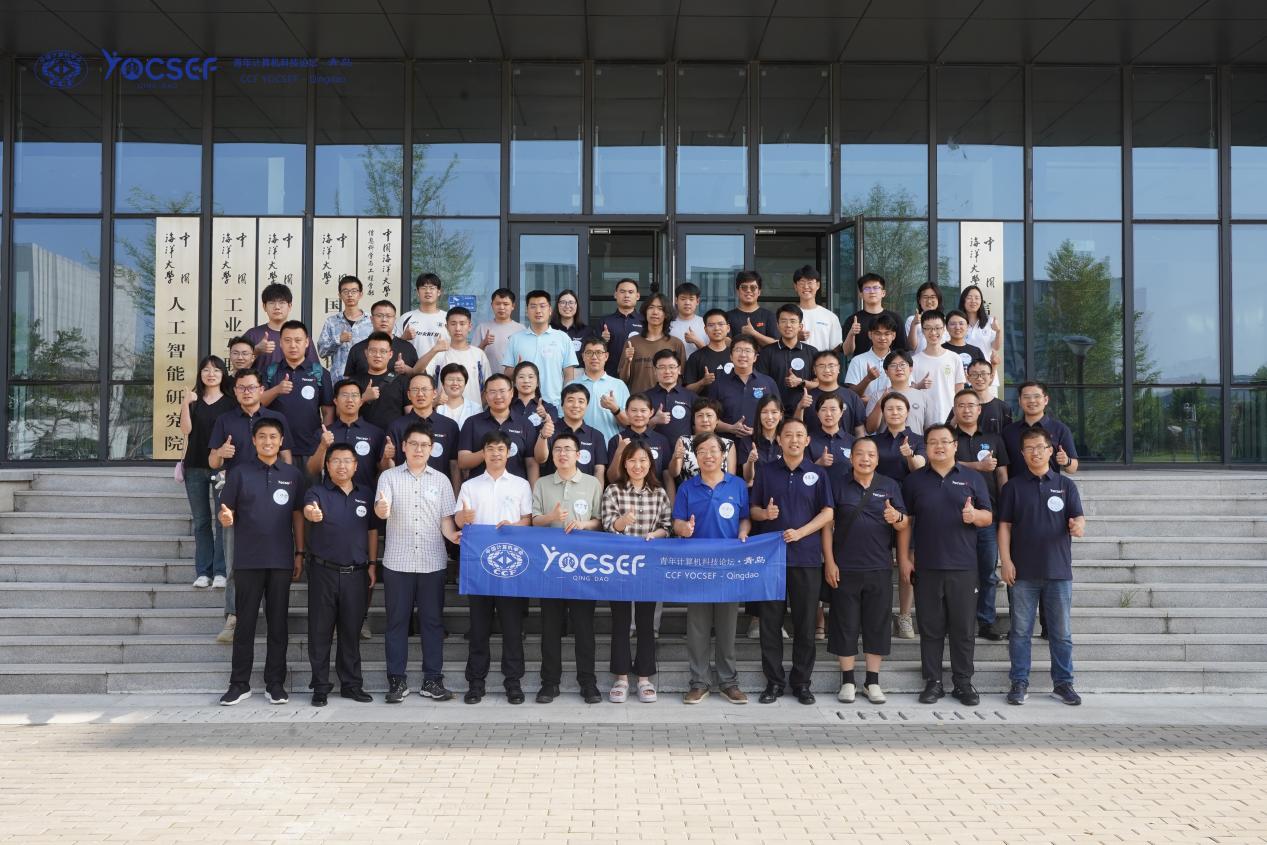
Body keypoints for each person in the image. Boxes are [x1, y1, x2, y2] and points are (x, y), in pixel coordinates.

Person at [900, 423, 993, 706]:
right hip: (927, 566)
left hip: (964, 565)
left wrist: (974, 516)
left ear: (955, 446)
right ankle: (934, 682)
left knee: (963, 628)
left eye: (944, 441)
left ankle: (963, 682)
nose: (939, 447)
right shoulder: (914, 481)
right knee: (930, 628)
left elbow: (988, 517)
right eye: (933, 442)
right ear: (926, 447)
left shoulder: (972, 478)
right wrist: (904, 558)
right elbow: (906, 524)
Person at [216, 417, 304, 706]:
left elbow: (298, 515)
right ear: (254, 441)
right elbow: (226, 510)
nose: (268, 441)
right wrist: (226, 518)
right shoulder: (239, 473)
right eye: (262, 436)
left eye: (273, 437)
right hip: (248, 560)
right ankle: (239, 684)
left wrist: (300, 552)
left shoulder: (292, 474)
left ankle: (275, 683)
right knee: (245, 625)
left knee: (278, 624)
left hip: (281, 560)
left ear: (281, 441)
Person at [749, 418, 834, 706]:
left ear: (807, 440)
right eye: (788, 435)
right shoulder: (766, 471)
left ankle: (801, 683)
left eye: (799, 435)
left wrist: (801, 532)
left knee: (805, 624)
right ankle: (773, 682)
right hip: (771, 559)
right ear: (780, 440)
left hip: (806, 557)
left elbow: (828, 513)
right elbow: (753, 509)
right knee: (770, 624)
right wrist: (765, 514)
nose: (794, 440)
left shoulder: (818, 474)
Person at [998, 428, 1086, 707]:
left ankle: (1063, 683)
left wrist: (1078, 526)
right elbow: (1004, 526)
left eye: (1040, 447)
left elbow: (1079, 519)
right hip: (1022, 572)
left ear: (1050, 451)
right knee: (1020, 632)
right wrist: (1005, 561)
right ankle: (1019, 682)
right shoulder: (1012, 487)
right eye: (1029, 448)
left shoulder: (1065, 485)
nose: (1035, 452)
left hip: (1058, 571)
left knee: (1061, 633)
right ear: (1022, 454)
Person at [376, 423, 461, 704]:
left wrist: (455, 537)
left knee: (433, 623)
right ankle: (396, 681)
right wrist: (382, 509)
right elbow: (381, 509)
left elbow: (446, 521)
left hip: (432, 562)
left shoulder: (441, 480)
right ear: (404, 446)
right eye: (413, 444)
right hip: (397, 563)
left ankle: (432, 680)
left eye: (424, 445)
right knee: (396, 623)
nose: (418, 449)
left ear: (432, 449)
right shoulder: (388, 477)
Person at [206, 368, 292, 646]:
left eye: (252, 387)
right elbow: (212, 462)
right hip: (236, 499)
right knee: (234, 560)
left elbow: (287, 457)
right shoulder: (225, 420)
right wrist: (221, 453)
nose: (247, 392)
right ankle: (234, 616)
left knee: (273, 562)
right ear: (235, 391)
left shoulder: (275, 419)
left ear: (261, 389)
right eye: (241, 387)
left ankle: (271, 616)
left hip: (272, 498)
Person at [824, 436, 909, 704]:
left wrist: (896, 518)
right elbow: (827, 525)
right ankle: (848, 681)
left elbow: (904, 523)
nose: (865, 459)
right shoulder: (838, 485)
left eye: (871, 455)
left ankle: (872, 681)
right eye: (860, 454)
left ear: (877, 459)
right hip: (845, 567)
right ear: (851, 458)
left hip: (879, 566)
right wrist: (829, 561)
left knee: (877, 624)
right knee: (845, 623)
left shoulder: (890, 485)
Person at [453, 431, 533, 704]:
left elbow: (528, 520)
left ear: (508, 453)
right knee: (478, 628)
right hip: (479, 567)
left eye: (500, 449)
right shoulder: (470, 486)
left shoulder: (521, 485)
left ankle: (513, 682)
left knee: (512, 628)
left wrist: (514, 526)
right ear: (483, 452)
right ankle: (476, 682)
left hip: (512, 567)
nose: (496, 453)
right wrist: (463, 517)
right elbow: (459, 520)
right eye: (490, 448)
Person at [673, 431, 751, 705]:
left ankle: (729, 682)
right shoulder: (687, 488)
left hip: (729, 566)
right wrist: (684, 528)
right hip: (698, 565)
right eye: (702, 451)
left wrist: (743, 532)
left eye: (713, 450)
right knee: (698, 626)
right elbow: (677, 522)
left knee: (728, 627)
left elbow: (745, 518)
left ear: (723, 455)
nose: (708, 455)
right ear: (696, 456)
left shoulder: (737, 485)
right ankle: (699, 682)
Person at [530, 431, 604, 704]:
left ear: (578, 454)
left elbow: (600, 521)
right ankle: (550, 683)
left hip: (583, 566)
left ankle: (588, 682)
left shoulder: (592, 483)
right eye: (558, 449)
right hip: (550, 566)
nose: (562, 454)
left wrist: (584, 524)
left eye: (568, 449)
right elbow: (534, 520)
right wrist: (550, 517)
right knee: (550, 626)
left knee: (584, 627)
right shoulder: (542, 484)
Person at [302, 443, 377, 707]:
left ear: (356, 466)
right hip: (323, 572)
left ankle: (351, 684)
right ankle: (320, 686)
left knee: (351, 631)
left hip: (356, 573)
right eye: (336, 461)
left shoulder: (365, 494)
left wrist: (372, 564)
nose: (341, 466)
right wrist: (312, 513)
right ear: (327, 465)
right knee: (320, 631)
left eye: (347, 461)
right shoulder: (317, 492)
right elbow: (309, 509)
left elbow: (371, 531)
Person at [602, 441, 671, 703]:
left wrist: (656, 534)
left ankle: (644, 678)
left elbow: (667, 526)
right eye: (632, 460)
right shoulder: (613, 490)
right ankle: (621, 678)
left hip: (648, 567)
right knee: (620, 622)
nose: (637, 465)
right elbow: (608, 526)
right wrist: (623, 522)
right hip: (619, 566)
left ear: (650, 464)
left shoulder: (659, 493)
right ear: (624, 463)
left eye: (642, 460)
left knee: (645, 622)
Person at [950, 388, 1011, 642]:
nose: (966, 410)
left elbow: (1002, 475)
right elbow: (941, 463)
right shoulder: (947, 438)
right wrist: (977, 466)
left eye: (971, 405)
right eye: (961, 405)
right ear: (954, 410)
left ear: (979, 409)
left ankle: (986, 621)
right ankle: (956, 621)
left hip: (988, 515)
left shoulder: (994, 439)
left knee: (987, 572)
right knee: (955, 573)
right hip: (952, 517)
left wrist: (1006, 509)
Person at [871, 391, 927, 641]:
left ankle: (904, 616)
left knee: (907, 561)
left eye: (899, 408)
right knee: (879, 559)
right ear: (883, 412)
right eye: (889, 408)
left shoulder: (918, 439)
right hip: (877, 505)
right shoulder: (874, 441)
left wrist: (909, 456)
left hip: (910, 505)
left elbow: (921, 467)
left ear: (907, 412)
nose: (894, 412)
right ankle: (878, 615)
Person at [179, 355, 235, 589]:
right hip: (194, 467)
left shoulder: (231, 402)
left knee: (222, 521)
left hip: (222, 468)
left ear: (223, 374)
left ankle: (221, 571)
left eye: (216, 370)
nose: (211, 374)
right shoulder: (194, 400)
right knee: (201, 521)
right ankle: (204, 571)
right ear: (200, 374)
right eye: (206, 370)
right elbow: (186, 430)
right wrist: (185, 403)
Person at [260, 320, 334, 472]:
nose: (293, 345)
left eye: (298, 340)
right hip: (276, 449)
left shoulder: (319, 373)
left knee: (310, 486)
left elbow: (328, 412)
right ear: (280, 343)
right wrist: (276, 390)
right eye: (287, 340)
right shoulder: (270, 371)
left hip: (310, 448)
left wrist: (321, 439)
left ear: (306, 342)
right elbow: (258, 403)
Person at [458, 373, 538, 483]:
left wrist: (533, 491)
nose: (498, 396)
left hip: (516, 488)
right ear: (486, 395)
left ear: (511, 393)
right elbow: (463, 462)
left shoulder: (525, 424)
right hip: (480, 488)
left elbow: (531, 463)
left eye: (502, 391)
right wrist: (489, 450)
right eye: (492, 392)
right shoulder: (472, 423)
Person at [503, 289, 578, 406]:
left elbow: (569, 376)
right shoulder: (515, 339)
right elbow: (507, 375)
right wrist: (517, 369)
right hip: (523, 405)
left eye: (542, 306)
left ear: (550, 310)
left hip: (555, 404)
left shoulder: (563, 338)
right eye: (533, 306)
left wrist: (566, 403)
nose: (538, 311)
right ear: (527, 311)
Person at [307, 379, 385, 491]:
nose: (349, 400)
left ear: (361, 401)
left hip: (366, 497)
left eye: (354, 395)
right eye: (344, 395)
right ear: (335, 401)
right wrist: (323, 446)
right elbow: (312, 470)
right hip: (331, 497)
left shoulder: (376, 433)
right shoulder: (324, 433)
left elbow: (384, 469)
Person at [712, 336, 779, 465]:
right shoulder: (719, 384)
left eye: (748, 351)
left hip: (761, 451)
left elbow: (779, 416)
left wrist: (759, 431)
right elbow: (711, 419)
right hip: (727, 449)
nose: (743, 355)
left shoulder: (768, 383)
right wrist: (730, 428)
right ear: (731, 356)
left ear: (755, 357)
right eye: (738, 350)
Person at [386, 373, 461, 490]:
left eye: (425, 389)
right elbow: (387, 466)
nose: (420, 394)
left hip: (439, 491)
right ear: (408, 395)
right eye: (415, 390)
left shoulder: (449, 426)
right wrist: (386, 457)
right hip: (404, 491)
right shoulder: (397, 426)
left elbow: (455, 465)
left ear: (434, 393)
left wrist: (456, 494)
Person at [418, 306, 492, 407]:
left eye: (462, 324)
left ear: (470, 326)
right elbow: (419, 372)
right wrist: (434, 350)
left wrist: (478, 408)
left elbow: (489, 387)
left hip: (474, 413)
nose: (457, 328)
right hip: (444, 413)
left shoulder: (479, 355)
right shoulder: (439, 353)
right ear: (446, 327)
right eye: (453, 324)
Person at [533, 383, 607, 484]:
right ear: (562, 404)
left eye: (581, 401)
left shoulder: (596, 436)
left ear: (587, 406)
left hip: (585, 491)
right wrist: (543, 436)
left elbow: (599, 470)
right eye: (570, 400)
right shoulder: (549, 428)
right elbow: (540, 459)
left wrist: (597, 492)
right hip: (553, 488)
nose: (576, 405)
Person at [1002, 381, 1079, 476]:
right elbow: (1002, 467)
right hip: (1016, 485)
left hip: (1049, 485)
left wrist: (1066, 461)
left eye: (1037, 396)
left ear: (1046, 400)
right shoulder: (1008, 431)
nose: (1032, 400)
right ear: (1020, 401)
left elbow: (1072, 469)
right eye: (1026, 397)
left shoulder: (1060, 429)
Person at [756, 303, 819, 416]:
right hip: (775, 414)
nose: (788, 325)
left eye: (793, 321)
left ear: (800, 326)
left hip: (805, 412)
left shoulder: (812, 352)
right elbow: (761, 384)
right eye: (784, 321)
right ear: (777, 325)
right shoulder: (767, 352)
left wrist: (801, 382)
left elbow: (819, 383)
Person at [620, 292, 685, 396]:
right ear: (645, 312)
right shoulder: (632, 342)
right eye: (651, 307)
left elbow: (681, 379)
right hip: (638, 402)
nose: (655, 312)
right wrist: (628, 361)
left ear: (666, 314)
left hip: (666, 401)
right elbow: (622, 380)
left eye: (660, 308)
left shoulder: (676, 343)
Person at [566, 336, 629, 443]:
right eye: (589, 352)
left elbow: (628, 423)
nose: (594, 357)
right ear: (583, 356)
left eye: (599, 352)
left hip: (610, 445)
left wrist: (615, 409)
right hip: (577, 445)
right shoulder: (571, 386)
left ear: (606, 356)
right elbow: (563, 419)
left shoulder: (619, 385)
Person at [606, 393, 673, 493]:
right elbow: (612, 479)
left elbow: (667, 475)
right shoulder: (617, 440)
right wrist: (619, 452)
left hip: (654, 496)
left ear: (651, 412)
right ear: (626, 412)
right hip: (624, 496)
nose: (638, 414)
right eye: (634, 410)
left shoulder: (661, 440)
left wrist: (671, 500)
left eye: (643, 410)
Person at [243, 283, 318, 369]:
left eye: (282, 302)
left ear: (289, 306)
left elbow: (315, 369)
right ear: (264, 306)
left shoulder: (301, 335)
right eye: (272, 303)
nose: (277, 307)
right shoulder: (252, 334)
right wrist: (256, 350)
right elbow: (238, 366)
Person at [911, 310, 967, 426]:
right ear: (922, 330)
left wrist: (957, 417)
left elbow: (959, 391)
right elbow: (909, 391)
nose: (933, 332)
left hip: (949, 418)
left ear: (944, 329)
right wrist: (919, 386)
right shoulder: (914, 361)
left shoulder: (954, 358)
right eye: (928, 328)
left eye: (937, 328)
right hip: (922, 420)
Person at [864, 350, 934, 435]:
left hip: (916, 443)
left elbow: (930, 431)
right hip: (886, 443)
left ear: (910, 369)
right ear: (886, 372)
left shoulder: (923, 397)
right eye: (893, 365)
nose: (898, 369)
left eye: (902, 364)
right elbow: (869, 429)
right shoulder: (877, 396)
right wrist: (880, 404)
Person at [345, 300, 418, 380]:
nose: (384, 320)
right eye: (379, 316)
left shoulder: (407, 347)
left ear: (394, 319)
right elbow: (348, 380)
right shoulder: (357, 349)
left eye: (388, 316)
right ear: (371, 319)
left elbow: (418, 376)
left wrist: (406, 370)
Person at [316, 275, 372, 380]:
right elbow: (322, 352)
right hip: (339, 380)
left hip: (365, 379)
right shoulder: (331, 322)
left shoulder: (371, 321)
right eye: (345, 291)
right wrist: (339, 340)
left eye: (354, 291)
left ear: (360, 294)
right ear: (340, 295)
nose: (350, 295)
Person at [669, 397, 737, 482]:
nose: (705, 420)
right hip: (689, 489)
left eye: (709, 415)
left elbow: (731, 478)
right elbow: (674, 473)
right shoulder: (683, 441)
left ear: (717, 420)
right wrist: (675, 458)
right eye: (700, 416)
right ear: (694, 420)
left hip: (721, 490)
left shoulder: (728, 444)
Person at [353, 332, 411, 432]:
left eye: (383, 351)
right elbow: (341, 413)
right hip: (361, 437)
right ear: (366, 353)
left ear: (390, 354)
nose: (377, 355)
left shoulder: (402, 381)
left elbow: (410, 415)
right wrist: (363, 398)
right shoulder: (354, 382)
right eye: (373, 351)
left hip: (392, 437)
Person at [803, 349, 867, 438]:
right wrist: (800, 407)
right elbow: (800, 427)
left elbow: (859, 430)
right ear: (814, 370)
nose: (827, 370)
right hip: (814, 446)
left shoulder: (852, 396)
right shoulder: (807, 397)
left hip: (847, 446)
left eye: (831, 365)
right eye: (821, 366)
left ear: (838, 368)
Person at [843, 273, 907, 357]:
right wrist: (851, 334)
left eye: (876, 288)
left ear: (883, 293)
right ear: (861, 294)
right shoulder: (853, 320)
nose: (872, 292)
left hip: (889, 364)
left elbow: (902, 350)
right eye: (867, 289)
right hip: (861, 364)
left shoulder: (895, 318)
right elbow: (847, 352)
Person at [845, 314, 900, 406]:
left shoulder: (899, 361)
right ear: (870, 335)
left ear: (893, 335)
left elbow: (905, 390)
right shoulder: (857, 361)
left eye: (887, 334)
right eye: (878, 333)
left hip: (893, 411)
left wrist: (873, 400)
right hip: (864, 412)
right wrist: (868, 378)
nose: (882, 338)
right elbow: (851, 394)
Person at [645, 348, 696, 446]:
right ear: (655, 370)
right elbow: (635, 429)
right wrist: (653, 421)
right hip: (653, 452)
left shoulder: (691, 397)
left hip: (683, 452)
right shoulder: (645, 397)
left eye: (672, 367)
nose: (667, 371)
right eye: (662, 367)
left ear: (679, 369)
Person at [597, 278, 645, 376]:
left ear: (637, 296)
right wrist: (602, 340)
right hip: (611, 374)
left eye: (630, 292)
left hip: (639, 375)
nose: (626, 295)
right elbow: (595, 350)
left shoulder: (645, 321)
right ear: (615, 295)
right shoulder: (605, 321)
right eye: (622, 292)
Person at [396, 272, 450, 360]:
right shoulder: (405, 318)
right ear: (418, 292)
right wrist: (403, 338)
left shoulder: (448, 318)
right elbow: (393, 347)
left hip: (442, 367)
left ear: (439, 292)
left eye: (432, 288)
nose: (428, 291)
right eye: (423, 288)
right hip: (411, 367)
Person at [807, 393, 856, 486]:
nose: (828, 414)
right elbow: (801, 474)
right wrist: (818, 464)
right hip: (817, 491)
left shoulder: (853, 441)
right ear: (817, 413)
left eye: (833, 409)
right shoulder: (808, 441)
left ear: (841, 412)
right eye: (823, 409)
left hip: (846, 492)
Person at [473, 288, 526, 373]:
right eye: (497, 304)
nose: (501, 307)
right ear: (492, 305)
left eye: (506, 304)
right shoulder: (482, 328)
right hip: (488, 378)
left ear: (513, 306)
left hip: (513, 378)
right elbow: (472, 356)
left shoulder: (521, 329)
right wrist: (483, 343)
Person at [792, 265, 843, 353]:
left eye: (810, 282)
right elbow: (779, 343)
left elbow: (835, 348)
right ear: (795, 286)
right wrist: (794, 338)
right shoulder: (788, 315)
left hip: (822, 361)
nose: (806, 286)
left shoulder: (830, 317)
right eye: (802, 283)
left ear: (818, 285)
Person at [682, 308, 733, 395]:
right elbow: (686, 390)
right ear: (705, 330)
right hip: (705, 403)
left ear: (728, 328)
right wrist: (702, 382)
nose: (716, 328)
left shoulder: (736, 355)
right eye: (711, 325)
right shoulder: (695, 357)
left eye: (720, 324)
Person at [959, 284, 1002, 385]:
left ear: (981, 301)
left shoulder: (990, 321)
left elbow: (996, 347)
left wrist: (998, 331)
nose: (973, 301)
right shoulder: (957, 323)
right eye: (969, 297)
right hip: (962, 377)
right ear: (963, 300)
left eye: (977, 298)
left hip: (986, 376)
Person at [509, 361, 560, 444]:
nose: (526, 381)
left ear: (537, 383)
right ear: (514, 382)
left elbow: (551, 436)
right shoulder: (507, 407)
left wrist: (545, 417)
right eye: (521, 377)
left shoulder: (549, 408)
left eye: (531, 377)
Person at [725, 270, 777, 348]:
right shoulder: (727, 316)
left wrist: (753, 333)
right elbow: (725, 342)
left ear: (759, 292)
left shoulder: (769, 316)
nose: (748, 291)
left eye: (753, 288)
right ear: (737, 291)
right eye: (744, 287)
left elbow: (776, 344)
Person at [964, 359, 1012, 435]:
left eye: (983, 374)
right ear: (968, 378)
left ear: (991, 377)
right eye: (974, 374)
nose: (979, 378)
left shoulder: (1003, 407)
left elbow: (1008, 436)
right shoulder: (961, 406)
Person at [435, 363, 482, 428]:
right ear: (443, 383)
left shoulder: (476, 408)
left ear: (465, 383)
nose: (455, 383)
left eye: (459, 380)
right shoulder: (436, 408)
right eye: (450, 379)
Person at [944, 309, 989, 375]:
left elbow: (983, 376)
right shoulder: (941, 349)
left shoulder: (976, 351)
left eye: (961, 323)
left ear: (967, 326)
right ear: (947, 327)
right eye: (953, 324)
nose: (957, 327)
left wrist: (994, 365)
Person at [668, 282, 707, 357]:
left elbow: (712, 353)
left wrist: (696, 341)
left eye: (691, 299)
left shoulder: (705, 323)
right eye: (683, 299)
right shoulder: (668, 324)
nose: (687, 303)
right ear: (676, 300)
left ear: (697, 301)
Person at [904, 281, 943, 355]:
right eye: (925, 297)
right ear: (919, 300)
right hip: (918, 360)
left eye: (933, 297)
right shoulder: (912, 320)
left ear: (938, 299)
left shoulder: (944, 320)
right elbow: (911, 347)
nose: (929, 301)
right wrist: (914, 324)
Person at [550, 288, 590, 354]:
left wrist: (604, 339)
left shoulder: (586, 331)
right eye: (563, 302)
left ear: (576, 305)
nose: (567, 306)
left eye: (571, 302)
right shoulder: (549, 330)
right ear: (558, 305)